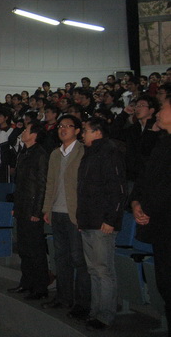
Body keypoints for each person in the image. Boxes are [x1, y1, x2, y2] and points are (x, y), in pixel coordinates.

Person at [77, 117, 127, 331]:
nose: (82, 134)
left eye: (86, 130)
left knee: (103, 270)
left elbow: (118, 189)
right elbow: (83, 191)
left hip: (102, 222)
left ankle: (105, 315)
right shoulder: (90, 153)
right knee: (93, 270)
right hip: (89, 220)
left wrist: (110, 219)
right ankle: (95, 311)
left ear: (98, 132)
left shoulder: (109, 152)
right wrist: (81, 218)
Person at [42, 115, 91, 319]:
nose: (63, 129)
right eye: (60, 126)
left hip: (75, 213)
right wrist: (47, 208)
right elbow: (50, 183)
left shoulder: (84, 152)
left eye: (68, 126)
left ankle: (82, 303)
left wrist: (84, 214)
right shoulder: (55, 154)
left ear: (77, 130)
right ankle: (63, 297)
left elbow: (86, 186)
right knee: (61, 257)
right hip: (57, 212)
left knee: (79, 259)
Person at [130, 93, 171, 334]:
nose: (158, 113)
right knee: (165, 283)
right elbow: (145, 178)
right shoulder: (162, 143)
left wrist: (148, 209)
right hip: (160, 227)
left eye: (163, 107)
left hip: (164, 220)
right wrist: (136, 202)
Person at [8, 120, 49, 300]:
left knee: (35, 249)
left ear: (34, 135)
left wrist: (37, 211)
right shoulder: (23, 153)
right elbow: (20, 184)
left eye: (26, 130)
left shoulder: (40, 154)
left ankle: (40, 287)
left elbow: (42, 185)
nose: (23, 132)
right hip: (22, 207)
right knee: (24, 248)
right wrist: (16, 206)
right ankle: (26, 282)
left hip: (32, 209)